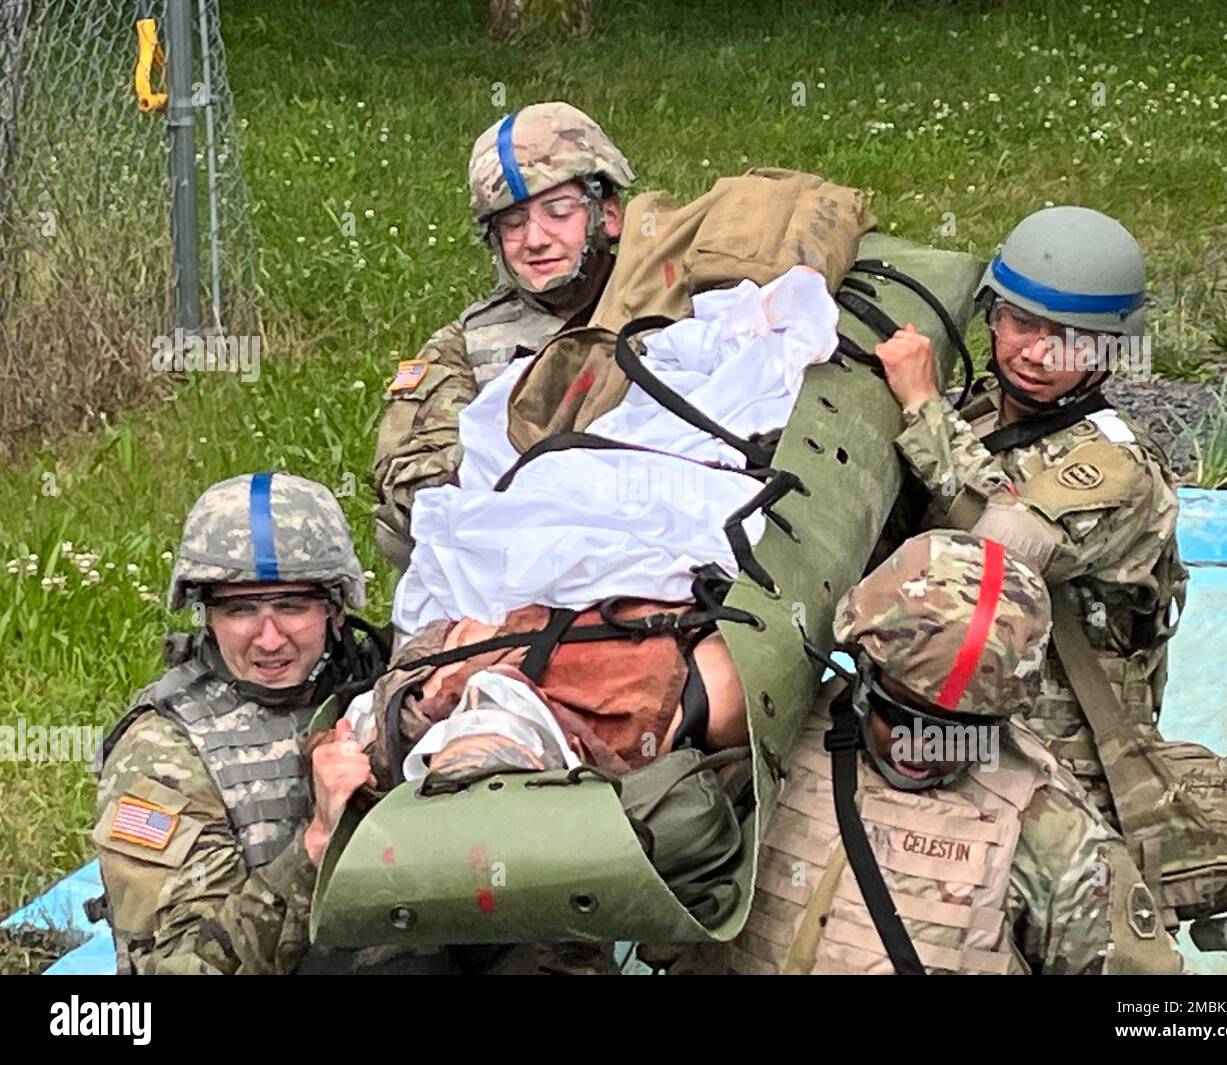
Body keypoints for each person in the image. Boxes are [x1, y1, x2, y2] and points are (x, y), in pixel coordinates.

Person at [692, 531, 1183, 975]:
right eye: (902, 717)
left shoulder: (1047, 824)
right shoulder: (775, 730)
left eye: (965, 731)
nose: (925, 747)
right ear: (865, 671)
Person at [873, 206, 1185, 828]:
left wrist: (923, 407)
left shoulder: (1118, 469)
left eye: (1070, 338)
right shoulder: (988, 417)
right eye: (1019, 322)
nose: (1037, 353)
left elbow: (998, 544)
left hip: (1048, 754)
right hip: (930, 705)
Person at [92, 473, 387, 974]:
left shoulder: (388, 690)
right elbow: (179, 968)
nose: (269, 639)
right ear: (207, 616)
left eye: (292, 606)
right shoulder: (163, 750)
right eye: (242, 610)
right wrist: (315, 845)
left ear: (335, 610)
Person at [373, 100, 635, 570]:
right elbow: (408, 484)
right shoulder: (464, 347)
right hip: (513, 571)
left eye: (558, 211)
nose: (534, 239)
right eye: (513, 223)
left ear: (608, 214)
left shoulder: (672, 306)